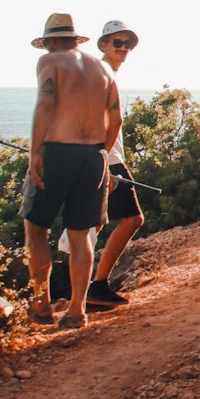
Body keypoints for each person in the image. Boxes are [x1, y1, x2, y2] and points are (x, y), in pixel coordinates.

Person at [20, 13, 121, 330]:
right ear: (75, 40)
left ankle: (42, 304)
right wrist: (101, 151)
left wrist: (35, 151)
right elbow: (115, 119)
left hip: (57, 154)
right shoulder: (102, 68)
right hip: (93, 157)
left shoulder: (50, 61)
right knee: (80, 235)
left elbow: (47, 103)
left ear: (49, 42)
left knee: (36, 227)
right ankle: (77, 310)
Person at [87, 19, 143, 310]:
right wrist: (103, 163)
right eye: (118, 43)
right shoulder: (102, 73)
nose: (124, 49)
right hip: (108, 159)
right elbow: (100, 120)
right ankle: (96, 286)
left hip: (106, 158)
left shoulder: (103, 72)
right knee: (133, 218)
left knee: (91, 224)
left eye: (128, 44)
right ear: (103, 45)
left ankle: (90, 288)